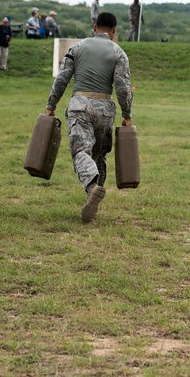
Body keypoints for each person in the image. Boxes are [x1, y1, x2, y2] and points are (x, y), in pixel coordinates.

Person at [44, 12, 133, 223]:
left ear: (94, 27)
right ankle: (93, 196)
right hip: (105, 109)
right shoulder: (119, 52)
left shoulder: (77, 47)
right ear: (113, 31)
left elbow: (62, 79)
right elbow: (123, 88)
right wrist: (127, 114)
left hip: (79, 106)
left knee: (81, 151)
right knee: (99, 155)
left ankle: (92, 187)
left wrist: (51, 105)